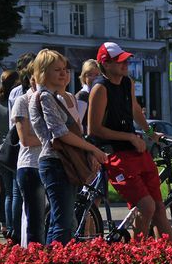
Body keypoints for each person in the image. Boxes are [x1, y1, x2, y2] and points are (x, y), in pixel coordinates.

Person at [87, 41, 172, 242]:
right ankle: (137, 254)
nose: (125, 64)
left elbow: (135, 110)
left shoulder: (127, 82)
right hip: (115, 154)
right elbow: (94, 129)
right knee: (147, 206)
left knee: (159, 207)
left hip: (135, 151)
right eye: (120, 61)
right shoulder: (100, 88)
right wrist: (130, 136)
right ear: (105, 64)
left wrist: (150, 133)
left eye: (126, 60)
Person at [30, 49, 108, 244]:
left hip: (64, 163)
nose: (64, 73)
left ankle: (53, 263)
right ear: (43, 72)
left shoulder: (56, 97)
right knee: (63, 222)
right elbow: (60, 133)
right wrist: (93, 149)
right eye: (57, 70)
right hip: (55, 163)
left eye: (65, 69)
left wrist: (88, 151)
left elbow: (75, 132)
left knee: (66, 221)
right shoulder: (44, 97)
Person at [12, 71, 46, 246]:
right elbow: (24, 139)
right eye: (36, 78)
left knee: (47, 219)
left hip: (50, 163)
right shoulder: (22, 101)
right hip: (31, 165)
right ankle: (32, 262)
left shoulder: (51, 99)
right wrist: (52, 139)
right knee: (34, 221)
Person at [0, 70, 20, 240]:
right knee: (16, 192)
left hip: (1, 149)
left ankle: (8, 226)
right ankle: (16, 228)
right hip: (15, 148)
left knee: (8, 193)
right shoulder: (15, 101)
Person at [75, 59, 100, 127]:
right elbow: (77, 124)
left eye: (97, 75)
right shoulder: (83, 95)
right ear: (84, 77)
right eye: (90, 75)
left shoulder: (99, 95)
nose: (94, 78)